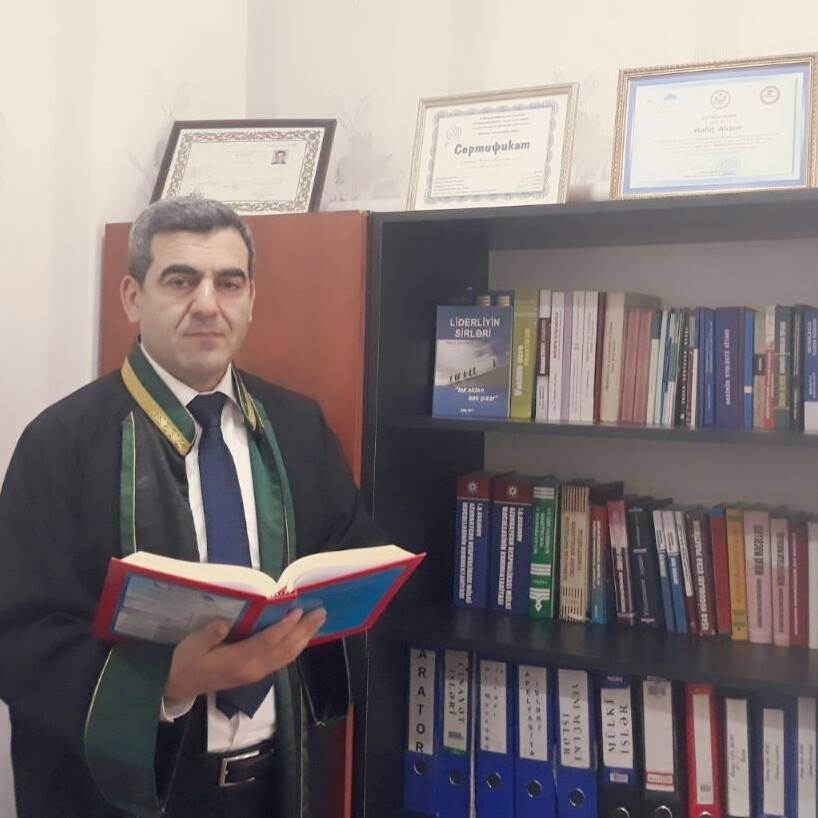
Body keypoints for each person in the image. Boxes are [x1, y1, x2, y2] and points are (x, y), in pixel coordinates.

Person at [0, 196, 386, 818]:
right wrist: (167, 679)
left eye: (228, 283)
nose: (208, 304)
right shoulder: (61, 443)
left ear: (251, 298)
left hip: (280, 780)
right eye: (181, 281)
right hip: (129, 790)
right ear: (133, 297)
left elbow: (350, 566)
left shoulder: (297, 427)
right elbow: (19, 636)